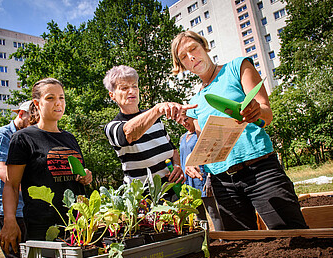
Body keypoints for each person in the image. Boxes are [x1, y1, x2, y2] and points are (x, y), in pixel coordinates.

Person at [171, 30, 308, 231]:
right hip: (222, 182)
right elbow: (204, 141)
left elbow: (267, 114)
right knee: (244, 248)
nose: (191, 57)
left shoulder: (238, 67)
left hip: (260, 169)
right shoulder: (194, 103)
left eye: (193, 49)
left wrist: (256, 110)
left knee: (292, 234)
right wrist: (194, 159)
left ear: (204, 47)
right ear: (182, 66)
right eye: (184, 57)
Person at [0, 78, 92, 255]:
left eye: (61, 98)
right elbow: (11, 185)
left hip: (78, 224)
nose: (58, 103)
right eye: (50, 98)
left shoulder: (69, 138)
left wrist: (86, 176)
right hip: (43, 227)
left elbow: (78, 175)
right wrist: (10, 220)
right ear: (37, 103)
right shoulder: (24, 138)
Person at [103, 65, 196, 189]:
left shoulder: (155, 119)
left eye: (134, 86)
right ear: (112, 95)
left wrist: (177, 166)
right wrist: (157, 109)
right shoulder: (112, 127)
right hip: (143, 198)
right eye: (124, 88)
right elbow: (129, 134)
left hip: (172, 190)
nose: (131, 91)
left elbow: (172, 150)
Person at [0, 100, 31, 258]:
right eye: (31, 118)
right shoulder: (1, 136)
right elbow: (1, 171)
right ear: (20, 114)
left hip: (25, 207)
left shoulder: (28, 136)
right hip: (5, 208)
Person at [179, 113, 224, 231]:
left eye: (186, 119)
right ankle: (206, 239)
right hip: (189, 182)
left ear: (193, 118)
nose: (184, 123)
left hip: (201, 178)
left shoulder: (200, 136)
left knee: (212, 212)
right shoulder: (183, 137)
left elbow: (209, 156)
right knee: (199, 214)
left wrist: (209, 178)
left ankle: (223, 238)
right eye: (181, 121)